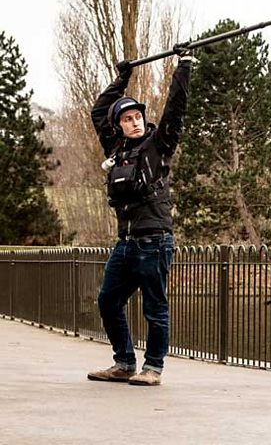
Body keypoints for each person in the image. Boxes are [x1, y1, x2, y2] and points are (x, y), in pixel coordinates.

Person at [86, 49, 195, 387]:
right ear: (119, 126)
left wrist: (184, 66)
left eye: (137, 117)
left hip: (155, 241)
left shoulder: (157, 146)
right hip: (126, 244)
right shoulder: (116, 152)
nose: (134, 122)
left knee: (154, 307)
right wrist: (122, 78)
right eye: (127, 119)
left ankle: (154, 368)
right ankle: (124, 363)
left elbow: (175, 110)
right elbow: (98, 110)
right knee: (108, 301)